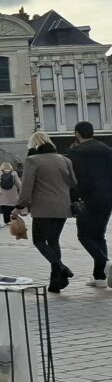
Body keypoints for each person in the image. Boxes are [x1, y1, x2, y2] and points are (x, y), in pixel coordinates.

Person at [17, 131, 78, 293]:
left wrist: (19, 205)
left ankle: (61, 267)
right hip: (62, 207)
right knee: (53, 241)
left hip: (43, 208)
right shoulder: (65, 159)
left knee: (39, 241)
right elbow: (73, 182)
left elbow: (26, 186)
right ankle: (55, 283)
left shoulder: (32, 160)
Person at [67, 121, 112, 288]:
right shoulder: (107, 150)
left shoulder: (75, 153)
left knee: (84, 235)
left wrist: (74, 198)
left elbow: (74, 179)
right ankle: (99, 277)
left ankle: (105, 263)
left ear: (77, 134)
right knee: (99, 235)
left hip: (88, 198)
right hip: (107, 197)